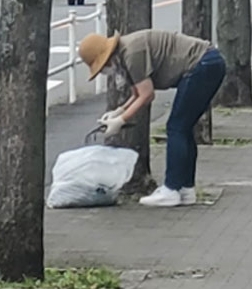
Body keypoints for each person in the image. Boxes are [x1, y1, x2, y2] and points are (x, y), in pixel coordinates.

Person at [79, 29, 225, 208]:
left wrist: (121, 120)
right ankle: (186, 189)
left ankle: (171, 189)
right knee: (183, 128)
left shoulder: (131, 53)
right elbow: (136, 92)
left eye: (102, 67)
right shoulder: (125, 54)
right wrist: (118, 111)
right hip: (208, 62)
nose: (104, 71)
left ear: (108, 57)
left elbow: (147, 95)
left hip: (201, 65)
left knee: (176, 128)